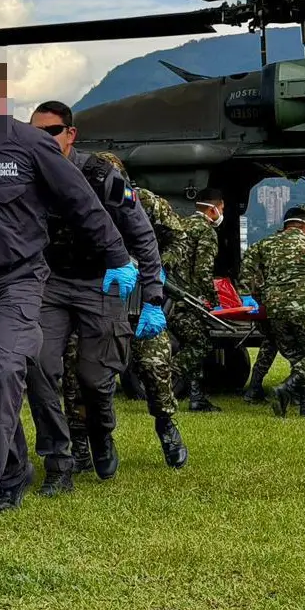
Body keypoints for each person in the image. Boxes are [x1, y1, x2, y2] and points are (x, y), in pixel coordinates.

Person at [0, 53, 136, 532]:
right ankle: (15, 465)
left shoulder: (30, 145)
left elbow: (82, 202)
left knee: (5, 369)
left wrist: (118, 258)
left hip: (18, 279)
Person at [26, 103, 166, 495]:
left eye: (50, 132)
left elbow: (141, 232)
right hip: (50, 284)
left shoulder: (103, 176)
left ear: (71, 134)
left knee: (94, 377)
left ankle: (102, 435)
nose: (42, 141)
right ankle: (58, 459)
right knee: (38, 366)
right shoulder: (27, 176)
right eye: (33, 133)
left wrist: (152, 294)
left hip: (101, 283)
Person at [41, 132, 186, 475]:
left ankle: (166, 427)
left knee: (153, 365)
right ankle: (81, 446)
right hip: (101, 294)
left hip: (144, 301)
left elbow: (174, 237)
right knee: (79, 373)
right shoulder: (77, 201)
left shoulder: (144, 201)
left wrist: (153, 274)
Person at [239, 206, 305, 417]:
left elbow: (246, 268)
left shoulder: (263, 244)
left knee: (298, 356)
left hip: (274, 311)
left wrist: (248, 294)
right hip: (303, 308)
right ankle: (286, 387)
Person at [168, 188, 223, 413]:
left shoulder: (181, 226)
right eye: (221, 208)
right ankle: (163, 380)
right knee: (200, 345)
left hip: (172, 294)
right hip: (190, 299)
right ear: (213, 209)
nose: (221, 213)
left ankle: (196, 397)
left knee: (194, 343)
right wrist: (214, 299)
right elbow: (203, 270)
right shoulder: (206, 231)